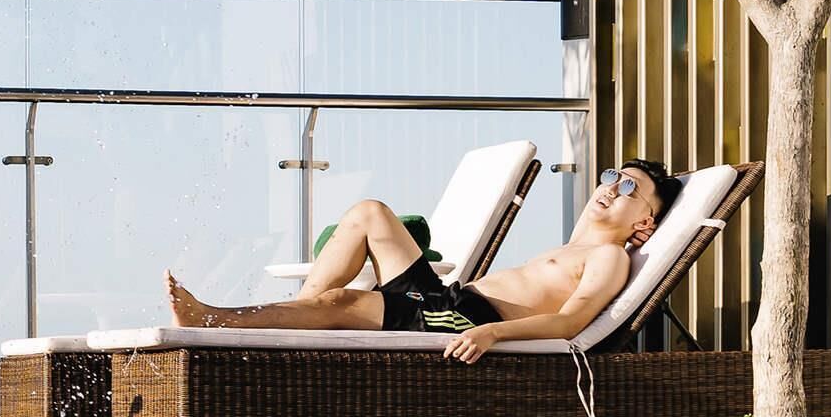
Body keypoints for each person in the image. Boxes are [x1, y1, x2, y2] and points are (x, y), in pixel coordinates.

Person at [164, 161, 685, 363]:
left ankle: (216, 320)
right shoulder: (571, 247)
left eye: (630, 188)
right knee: (369, 213)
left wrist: (491, 333)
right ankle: (295, 334)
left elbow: (570, 323)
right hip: (447, 300)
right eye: (612, 176)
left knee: (341, 301)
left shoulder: (609, 257)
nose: (611, 187)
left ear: (645, 223)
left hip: (464, 320)